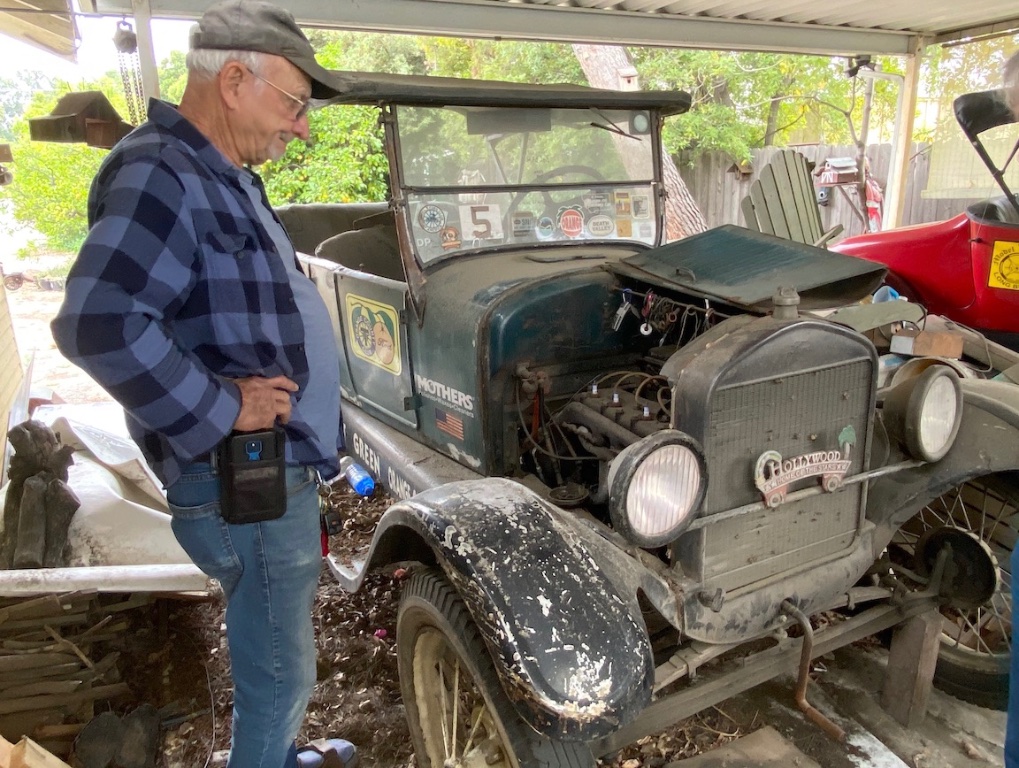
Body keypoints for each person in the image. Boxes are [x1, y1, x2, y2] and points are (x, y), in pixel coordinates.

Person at [51, 2, 356, 767]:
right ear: (233, 80)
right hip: (239, 474)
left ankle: (278, 753)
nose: (302, 128)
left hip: (263, 469)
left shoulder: (219, 174)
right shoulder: (160, 172)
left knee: (273, 644)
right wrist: (225, 406)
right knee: (278, 668)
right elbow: (98, 323)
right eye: (294, 104)